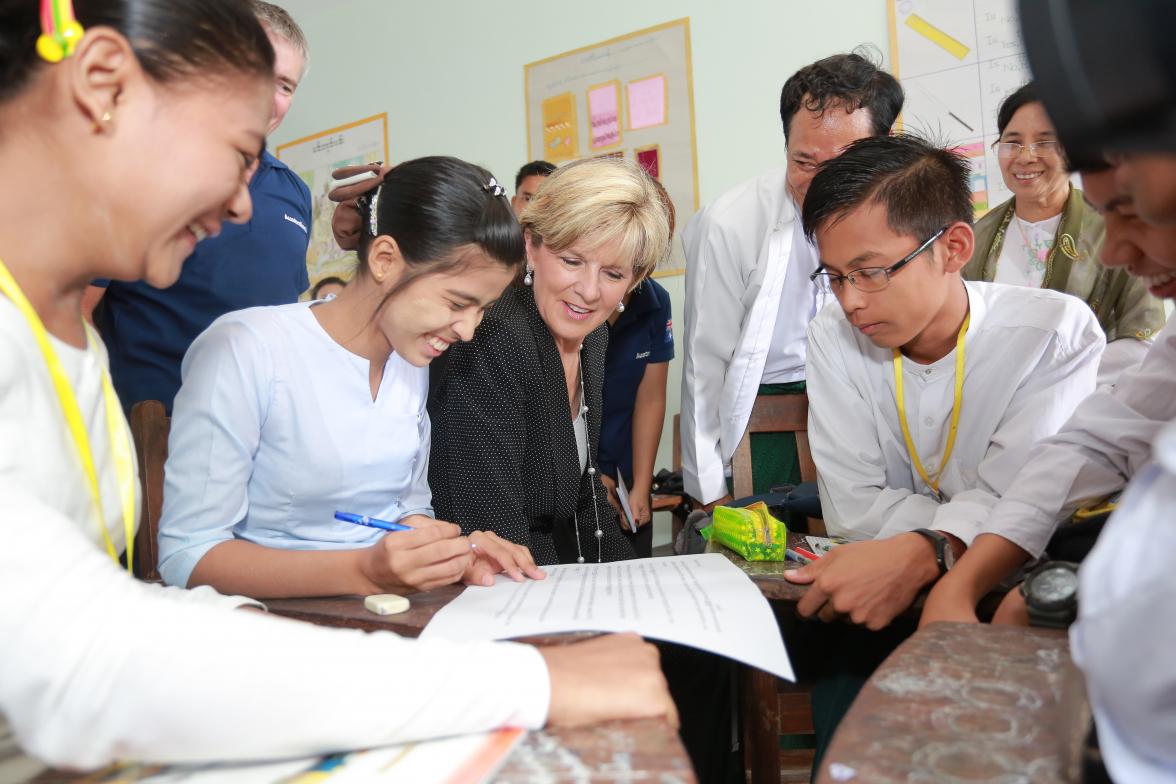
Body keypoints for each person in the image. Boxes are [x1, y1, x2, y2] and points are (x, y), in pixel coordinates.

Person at [0, 0, 676, 769]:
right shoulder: (240, 347)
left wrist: (439, 552)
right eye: (238, 150)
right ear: (102, 82)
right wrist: (524, 679)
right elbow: (94, 666)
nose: (245, 204)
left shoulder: (69, 339)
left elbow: (108, 623)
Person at [157, 157, 545, 599]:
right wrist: (364, 571)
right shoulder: (248, 348)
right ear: (384, 259)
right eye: (457, 303)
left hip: (378, 609)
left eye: (483, 310)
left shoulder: (409, 362)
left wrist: (450, 551)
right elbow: (187, 554)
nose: (468, 331)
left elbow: (406, 508)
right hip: (264, 621)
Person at [785, 133, 1104, 627]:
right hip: (880, 586)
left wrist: (922, 545)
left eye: (869, 272)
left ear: (953, 247)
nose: (850, 301)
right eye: (834, 276)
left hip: (1021, 593)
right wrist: (960, 527)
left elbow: (1026, 505)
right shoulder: (832, 335)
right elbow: (851, 510)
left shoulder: (1051, 334)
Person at [920, 161, 1176, 630]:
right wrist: (962, 584)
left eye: (1135, 213)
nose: (1115, 252)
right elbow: (1099, 443)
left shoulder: (1059, 325)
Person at [680, 50, 903, 511]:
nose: (823, 185)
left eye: (843, 164)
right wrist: (707, 490)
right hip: (770, 423)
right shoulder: (730, 223)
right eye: (804, 162)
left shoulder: (902, 212)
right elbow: (705, 363)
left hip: (872, 408)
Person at [427, 157, 670, 565]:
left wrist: (635, 580)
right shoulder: (495, 337)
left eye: (613, 274)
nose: (589, 292)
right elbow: (494, 531)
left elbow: (588, 499)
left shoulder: (593, 337)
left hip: (538, 572)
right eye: (571, 261)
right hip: (483, 585)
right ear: (530, 245)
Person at [85, 1, 314, 415]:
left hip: (266, 440)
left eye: (285, 85)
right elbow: (76, 312)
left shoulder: (294, 192)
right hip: (153, 431)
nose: (268, 96)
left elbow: (288, 319)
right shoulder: (133, 170)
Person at [963, 83, 1164, 384]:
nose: (1025, 156)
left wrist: (1053, 379)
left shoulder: (1117, 228)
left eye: (1045, 142)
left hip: (1096, 405)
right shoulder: (975, 238)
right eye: (1012, 143)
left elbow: (1144, 340)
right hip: (997, 411)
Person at [598, 178, 676, 557]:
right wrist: (589, 476)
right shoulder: (578, 298)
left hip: (624, 471)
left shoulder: (654, 301)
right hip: (566, 470)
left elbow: (650, 399)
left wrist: (642, 484)